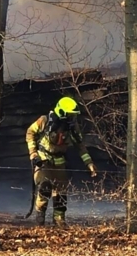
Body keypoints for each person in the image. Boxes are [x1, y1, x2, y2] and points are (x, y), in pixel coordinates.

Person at [26, 96, 96, 227]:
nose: (72, 117)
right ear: (62, 112)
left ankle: (59, 220)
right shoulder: (44, 121)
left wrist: (89, 163)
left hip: (60, 161)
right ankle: (40, 216)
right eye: (70, 114)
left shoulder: (71, 127)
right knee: (45, 186)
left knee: (61, 192)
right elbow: (30, 132)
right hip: (43, 159)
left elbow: (79, 145)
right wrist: (33, 153)